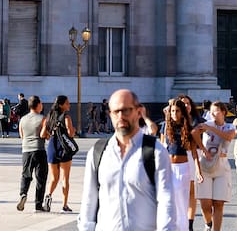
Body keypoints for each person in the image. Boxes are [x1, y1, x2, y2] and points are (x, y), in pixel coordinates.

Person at [77, 88, 176, 231]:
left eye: (126, 110)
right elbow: (89, 199)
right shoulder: (98, 152)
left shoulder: (155, 151)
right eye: (116, 112)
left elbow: (166, 200)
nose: (121, 116)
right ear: (110, 114)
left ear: (138, 111)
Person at [194, 101, 236, 231]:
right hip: (205, 166)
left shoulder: (229, 126)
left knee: (218, 203)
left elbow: (228, 137)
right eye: (211, 111)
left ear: (223, 112)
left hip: (222, 168)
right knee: (206, 204)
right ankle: (208, 223)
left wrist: (212, 129)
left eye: (216, 111)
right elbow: (193, 133)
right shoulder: (206, 124)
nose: (212, 114)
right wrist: (203, 149)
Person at [163, 98, 203, 231]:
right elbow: (163, 148)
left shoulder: (188, 128)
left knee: (181, 204)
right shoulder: (166, 127)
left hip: (182, 168)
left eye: (177, 111)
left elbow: (194, 153)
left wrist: (198, 171)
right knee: (168, 202)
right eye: (172, 111)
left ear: (182, 112)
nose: (174, 113)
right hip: (169, 168)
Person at [44, 95, 79, 212]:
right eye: (67, 103)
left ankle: (48, 197)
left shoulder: (49, 117)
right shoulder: (66, 116)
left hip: (52, 147)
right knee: (65, 178)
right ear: (61, 105)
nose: (69, 105)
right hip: (64, 148)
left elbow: (43, 134)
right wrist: (74, 129)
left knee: (53, 178)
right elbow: (71, 133)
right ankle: (64, 205)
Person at [17, 95, 48, 212]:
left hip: (26, 151)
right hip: (39, 150)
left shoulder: (23, 119)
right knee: (41, 178)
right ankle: (38, 205)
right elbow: (45, 135)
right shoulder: (43, 119)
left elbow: (21, 135)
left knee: (26, 175)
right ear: (38, 105)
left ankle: (23, 194)